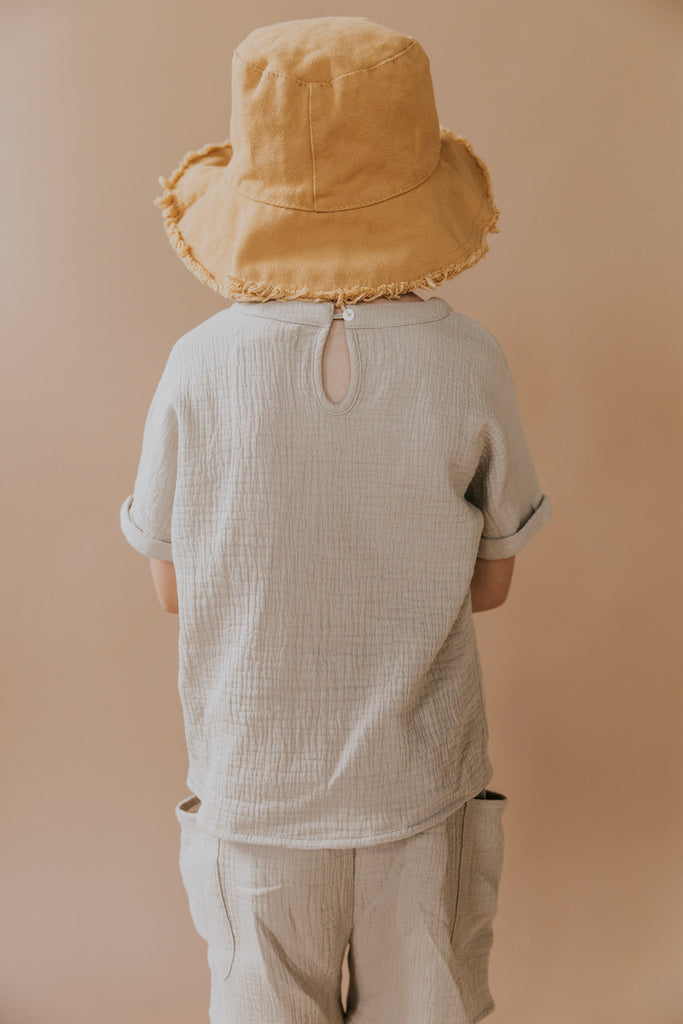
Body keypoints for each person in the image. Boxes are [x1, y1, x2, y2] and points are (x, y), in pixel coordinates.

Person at [119, 16, 553, 1024]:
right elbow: (492, 581)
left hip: (252, 793)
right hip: (420, 790)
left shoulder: (198, 364)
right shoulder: (467, 358)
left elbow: (174, 588)